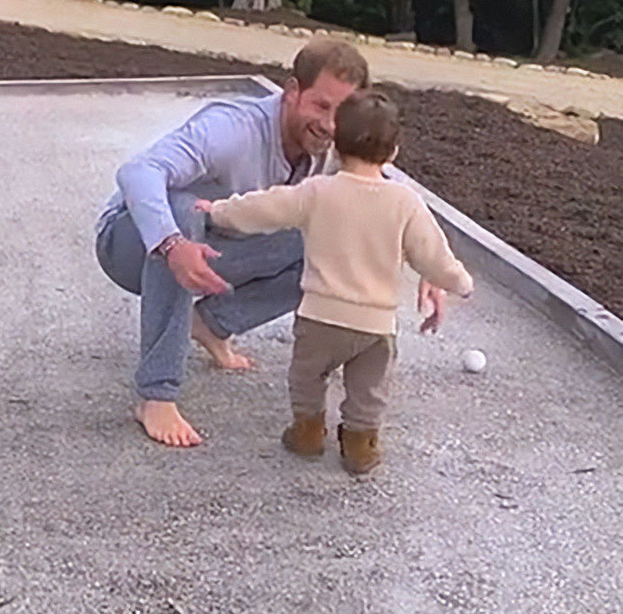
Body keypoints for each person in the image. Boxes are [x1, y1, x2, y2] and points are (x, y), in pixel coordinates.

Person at [95, 38, 447, 448]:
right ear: (292, 91)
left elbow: (387, 196)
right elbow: (138, 170)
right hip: (133, 245)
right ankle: (156, 395)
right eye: (320, 106)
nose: (331, 126)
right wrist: (172, 245)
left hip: (219, 248)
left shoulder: (339, 144)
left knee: (331, 236)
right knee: (184, 210)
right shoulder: (233, 129)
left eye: (341, 113)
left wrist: (430, 264)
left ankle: (210, 324)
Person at [198, 90, 473, 474]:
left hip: (320, 318)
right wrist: (460, 282)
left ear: (336, 145)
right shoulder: (405, 202)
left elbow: (264, 208)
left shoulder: (318, 191)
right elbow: (433, 256)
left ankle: (308, 431)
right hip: (375, 326)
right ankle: (360, 446)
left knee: (307, 377)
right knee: (369, 391)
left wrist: (218, 211)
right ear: (393, 151)